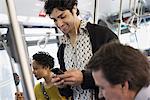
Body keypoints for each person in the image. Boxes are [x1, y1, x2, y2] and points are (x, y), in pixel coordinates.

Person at [44, 0, 118, 99]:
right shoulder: (62, 49)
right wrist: (62, 85)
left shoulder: (103, 35)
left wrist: (84, 78)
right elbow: (68, 93)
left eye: (62, 16)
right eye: (55, 20)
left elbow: (118, 73)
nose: (59, 24)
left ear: (74, 8)